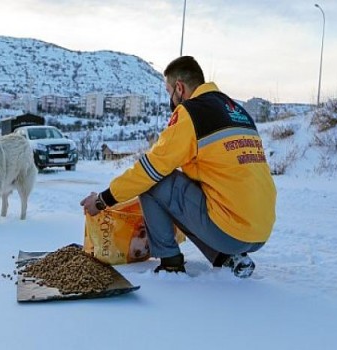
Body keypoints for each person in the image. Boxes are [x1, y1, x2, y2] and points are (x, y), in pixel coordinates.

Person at [80, 56, 276, 278]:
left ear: (179, 88)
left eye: (168, 91)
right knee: (189, 190)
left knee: (154, 180)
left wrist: (102, 201)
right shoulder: (237, 111)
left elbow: (149, 170)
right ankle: (226, 257)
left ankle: (170, 261)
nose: (170, 99)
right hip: (261, 230)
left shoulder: (192, 112)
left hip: (231, 231)